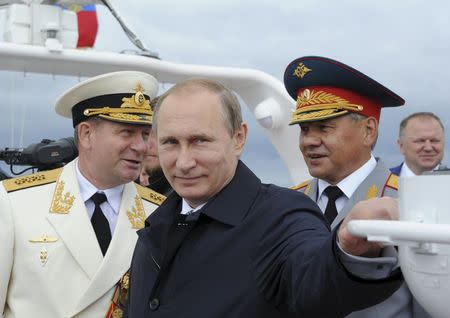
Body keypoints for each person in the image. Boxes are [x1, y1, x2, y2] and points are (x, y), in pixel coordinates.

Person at [126, 78, 404, 318]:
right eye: (170, 143)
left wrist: (347, 251)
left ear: (239, 138)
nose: (184, 162)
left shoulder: (283, 217)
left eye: (200, 141)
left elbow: (314, 276)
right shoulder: (157, 220)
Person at [0, 71, 167, 318]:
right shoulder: (14, 202)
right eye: (127, 133)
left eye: (145, 134)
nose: (141, 146)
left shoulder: (161, 212)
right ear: (86, 134)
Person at [287, 56, 428, 317]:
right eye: (304, 129)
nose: (309, 141)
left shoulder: (413, 203)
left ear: (369, 131)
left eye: (324, 127)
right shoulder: (288, 203)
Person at [390, 112, 445, 176]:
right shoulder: (381, 183)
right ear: (401, 146)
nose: (428, 148)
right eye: (420, 141)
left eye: (434, 141)